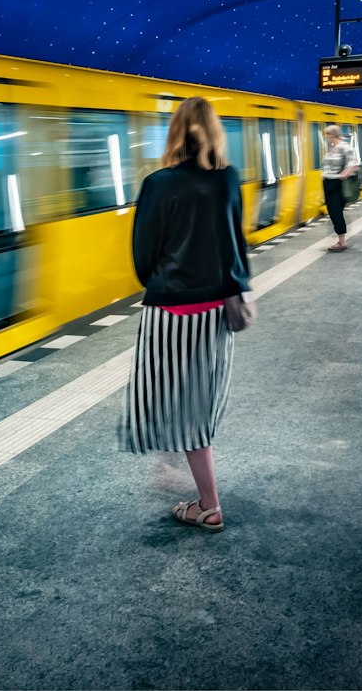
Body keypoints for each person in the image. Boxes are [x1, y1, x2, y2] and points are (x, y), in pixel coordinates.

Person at [121, 95, 251, 532]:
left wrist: (163, 279)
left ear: (175, 133)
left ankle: (209, 505)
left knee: (177, 403)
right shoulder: (229, 179)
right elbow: (236, 241)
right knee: (198, 400)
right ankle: (179, 464)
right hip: (217, 312)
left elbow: (143, 255)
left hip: (171, 312)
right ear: (215, 132)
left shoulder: (158, 183)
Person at [321, 124, 358, 251]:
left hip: (337, 184)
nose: (326, 137)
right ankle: (341, 239)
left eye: (328, 134)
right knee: (332, 211)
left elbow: (354, 163)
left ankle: (342, 242)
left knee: (336, 212)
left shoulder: (344, 147)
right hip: (328, 183)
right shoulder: (332, 147)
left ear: (333, 135)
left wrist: (344, 175)